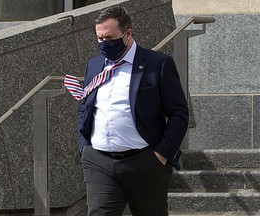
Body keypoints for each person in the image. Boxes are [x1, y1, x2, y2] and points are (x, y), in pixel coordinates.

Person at [77, 6, 189, 216]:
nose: (103, 44)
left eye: (109, 37)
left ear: (128, 34)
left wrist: (161, 154)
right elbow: (86, 105)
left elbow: (179, 114)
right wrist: (84, 147)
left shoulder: (158, 64)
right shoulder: (94, 64)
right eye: (99, 38)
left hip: (145, 162)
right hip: (99, 162)